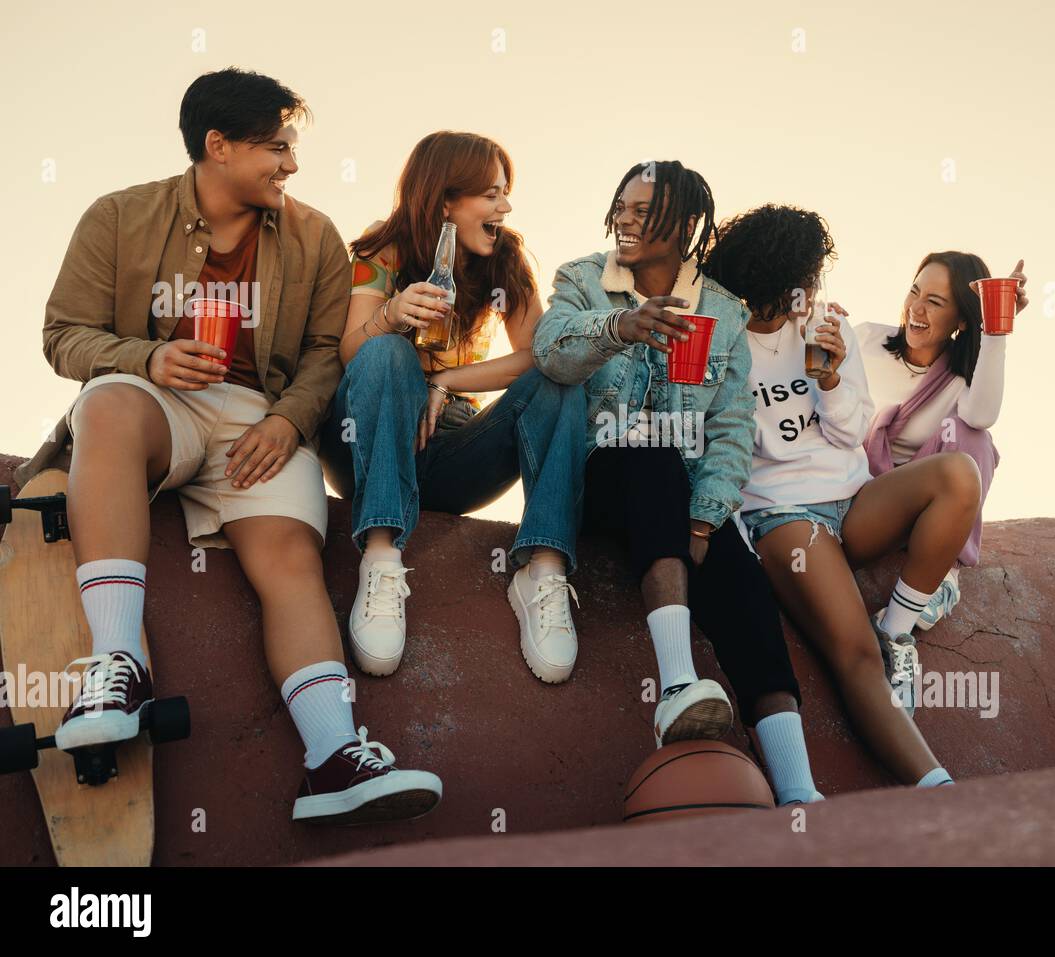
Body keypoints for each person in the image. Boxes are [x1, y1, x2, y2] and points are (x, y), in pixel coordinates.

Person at [22, 68, 443, 824]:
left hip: (260, 418)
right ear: (217, 146)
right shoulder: (119, 216)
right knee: (107, 405)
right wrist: (145, 358)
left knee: (287, 555)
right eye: (275, 148)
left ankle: (333, 755)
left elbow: (323, 353)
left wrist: (287, 420)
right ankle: (117, 668)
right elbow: (62, 335)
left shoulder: (314, 234)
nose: (291, 164)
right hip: (156, 399)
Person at [533, 162, 823, 805]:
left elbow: (731, 427)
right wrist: (619, 328)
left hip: (683, 498)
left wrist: (707, 517)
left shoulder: (722, 309)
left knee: (743, 584)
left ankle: (800, 791)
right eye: (623, 207)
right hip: (597, 477)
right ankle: (675, 687)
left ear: (686, 225)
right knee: (648, 452)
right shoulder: (583, 278)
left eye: (644, 210)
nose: (626, 220)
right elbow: (548, 349)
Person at [701, 203, 983, 787]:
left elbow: (850, 433)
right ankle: (938, 789)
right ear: (777, 281)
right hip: (782, 516)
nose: (815, 290)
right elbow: (725, 447)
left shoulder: (828, 327)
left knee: (958, 475)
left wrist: (828, 378)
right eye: (806, 279)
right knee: (855, 655)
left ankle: (899, 622)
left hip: (853, 501)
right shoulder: (718, 342)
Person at [319, 131, 587, 683]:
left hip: (456, 451)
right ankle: (381, 558)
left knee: (564, 378)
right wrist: (391, 314)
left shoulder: (505, 260)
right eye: (491, 194)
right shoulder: (381, 249)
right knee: (385, 352)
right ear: (445, 201)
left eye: (504, 193)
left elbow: (541, 358)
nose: (505, 207)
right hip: (369, 443)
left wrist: (445, 381)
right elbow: (351, 353)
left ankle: (543, 568)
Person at [854, 252, 1028, 629]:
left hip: (922, 511)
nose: (916, 308)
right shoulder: (865, 340)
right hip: (859, 500)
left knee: (974, 436)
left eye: (934, 302)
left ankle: (943, 578)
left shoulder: (957, 378)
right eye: (914, 292)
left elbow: (981, 416)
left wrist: (996, 328)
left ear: (962, 319)